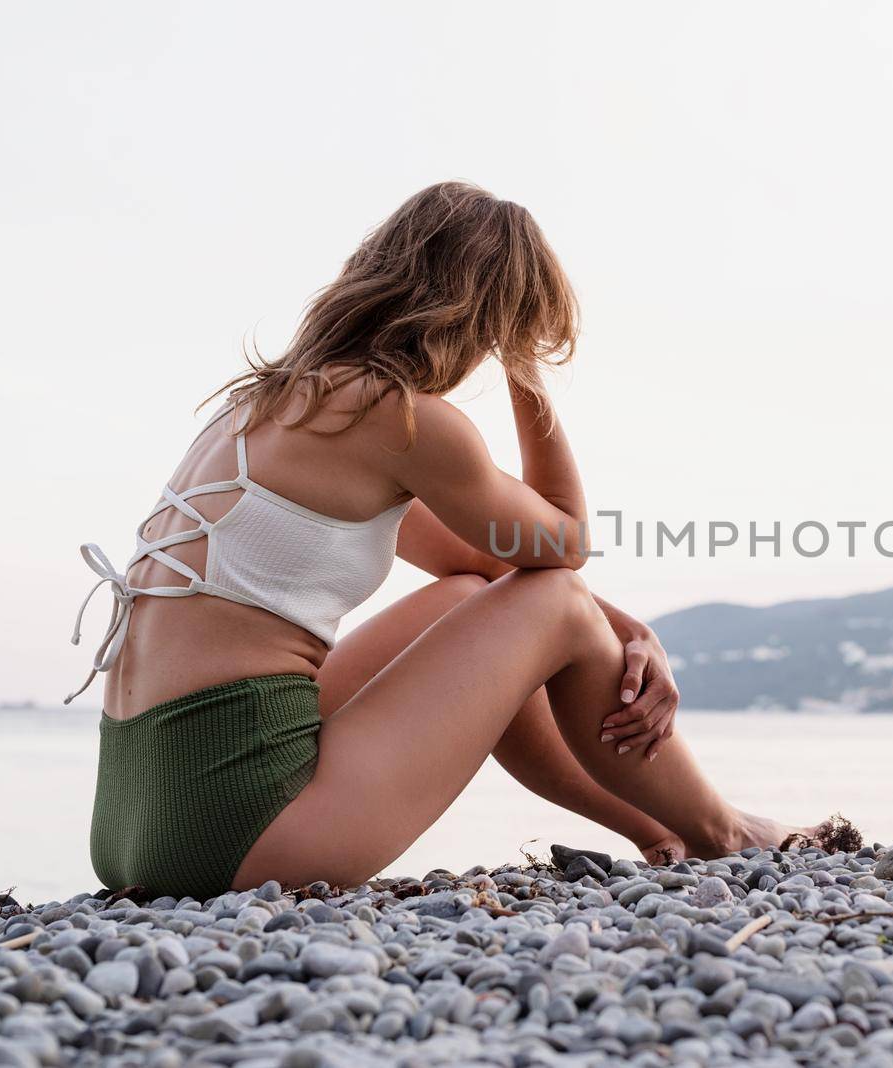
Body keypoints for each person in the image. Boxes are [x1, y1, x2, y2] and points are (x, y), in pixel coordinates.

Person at [68, 182, 820, 900]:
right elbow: (562, 545)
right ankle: (725, 830)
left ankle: (661, 833)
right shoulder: (396, 415)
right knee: (556, 599)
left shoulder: (264, 407)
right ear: (487, 319)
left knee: (471, 598)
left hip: (136, 829)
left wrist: (626, 628)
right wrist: (526, 370)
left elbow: (487, 566)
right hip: (243, 832)